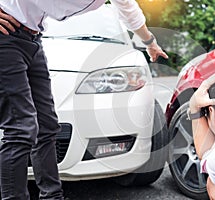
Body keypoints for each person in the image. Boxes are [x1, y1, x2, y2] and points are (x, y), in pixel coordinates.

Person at [0, 1, 168, 199]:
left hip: (33, 38)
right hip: (7, 38)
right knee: (21, 128)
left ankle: (53, 196)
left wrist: (149, 42)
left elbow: (128, 8)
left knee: (47, 126)